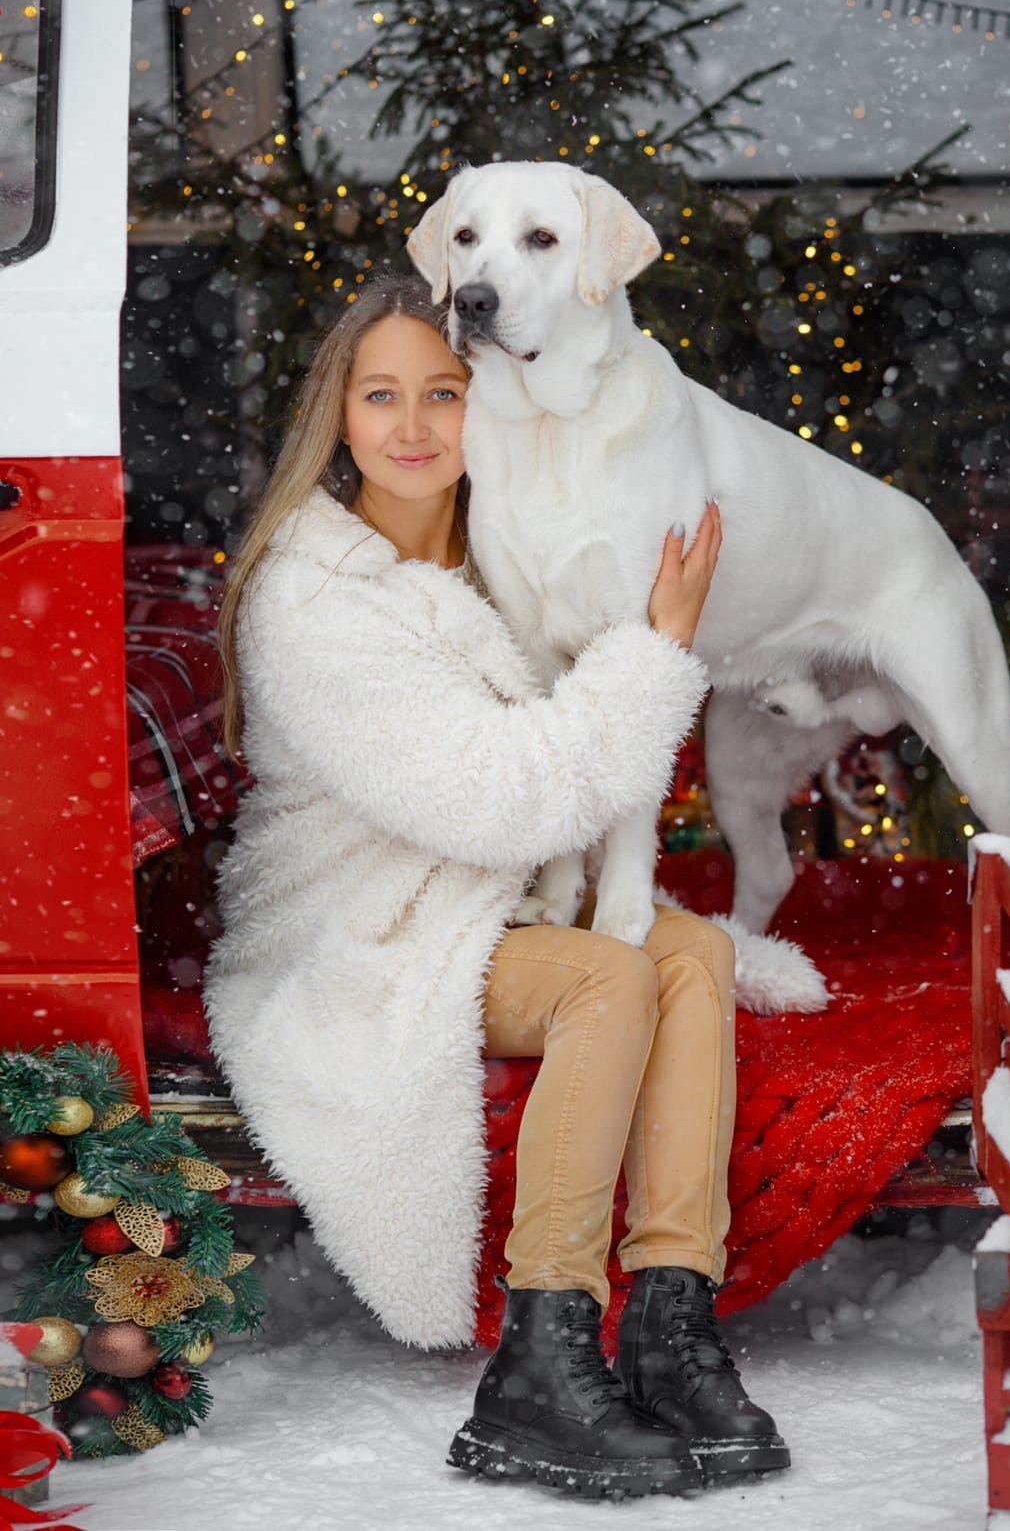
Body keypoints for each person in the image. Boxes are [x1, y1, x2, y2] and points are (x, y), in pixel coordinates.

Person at [206, 276, 790, 1500]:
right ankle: (542, 1346)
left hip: (488, 898)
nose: (413, 425)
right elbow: (503, 799)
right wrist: (654, 650)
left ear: (496, 408)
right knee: (604, 976)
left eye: (445, 393)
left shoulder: (507, 554)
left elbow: (571, 783)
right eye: (381, 396)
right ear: (339, 417)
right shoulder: (312, 596)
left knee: (691, 953)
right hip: (362, 925)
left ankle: (673, 1328)